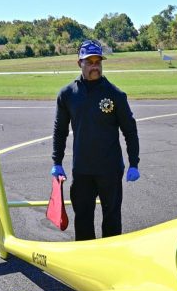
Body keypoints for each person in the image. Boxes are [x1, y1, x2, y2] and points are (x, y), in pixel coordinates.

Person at [51, 40, 140, 241]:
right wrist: (57, 161)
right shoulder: (67, 95)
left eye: (97, 61)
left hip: (110, 170)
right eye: (89, 62)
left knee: (112, 219)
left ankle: (110, 260)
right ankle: (85, 261)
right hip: (82, 170)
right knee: (82, 219)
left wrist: (134, 163)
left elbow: (130, 131)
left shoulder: (115, 94)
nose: (94, 66)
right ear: (79, 63)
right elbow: (60, 130)